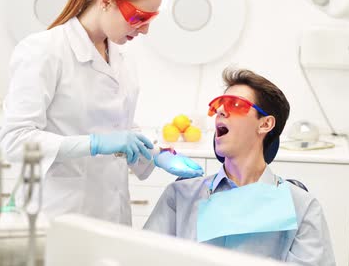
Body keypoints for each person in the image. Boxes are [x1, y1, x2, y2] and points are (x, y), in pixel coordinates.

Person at [0, 0, 203, 223]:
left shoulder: (122, 58)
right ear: (106, 1)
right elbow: (15, 141)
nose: (144, 31)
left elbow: (120, 128)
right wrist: (95, 144)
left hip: (111, 212)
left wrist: (156, 156)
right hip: (57, 215)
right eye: (139, 17)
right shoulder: (44, 51)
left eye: (151, 19)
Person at [144, 68, 335, 265]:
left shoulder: (301, 206)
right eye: (219, 106)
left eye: (234, 105)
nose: (220, 112)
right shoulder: (181, 196)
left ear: (265, 124)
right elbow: (143, 259)